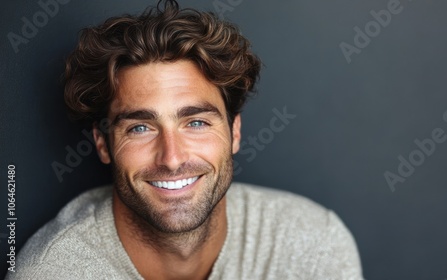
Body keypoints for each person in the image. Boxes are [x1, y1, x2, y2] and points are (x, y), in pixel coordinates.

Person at [8, 1, 364, 279]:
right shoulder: (51, 274)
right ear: (102, 144)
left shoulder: (314, 244)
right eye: (140, 128)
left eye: (195, 122)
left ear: (235, 132)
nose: (173, 158)